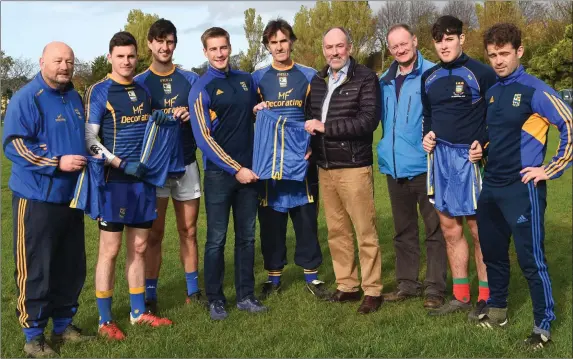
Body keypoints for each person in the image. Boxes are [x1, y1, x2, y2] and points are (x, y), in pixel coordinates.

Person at [476, 22, 572, 350]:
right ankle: (498, 311)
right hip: (491, 188)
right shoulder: (491, 92)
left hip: (522, 189)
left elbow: (570, 125)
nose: (498, 60)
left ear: (519, 51)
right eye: (492, 55)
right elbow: (497, 135)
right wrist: (481, 148)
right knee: (493, 254)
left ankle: (542, 326)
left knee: (531, 259)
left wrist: (550, 169)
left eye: (504, 53)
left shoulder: (535, 90)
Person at [2, 41, 92, 357]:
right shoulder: (27, 98)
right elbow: (15, 145)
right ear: (42, 62)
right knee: (36, 267)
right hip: (37, 196)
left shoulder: (73, 97)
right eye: (58, 60)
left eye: (69, 61)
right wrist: (56, 162)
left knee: (70, 265)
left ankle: (63, 324)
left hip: (71, 197)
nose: (64, 66)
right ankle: (33, 335)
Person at [85, 31, 173, 341]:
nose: (127, 61)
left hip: (143, 182)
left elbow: (150, 132)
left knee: (139, 247)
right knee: (110, 251)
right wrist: (119, 163)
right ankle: (104, 319)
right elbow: (90, 140)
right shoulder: (100, 91)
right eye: (121, 56)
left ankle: (138, 313)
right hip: (114, 182)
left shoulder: (144, 91)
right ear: (110, 57)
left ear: (138, 57)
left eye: (131, 56)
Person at [188, 27, 266, 320]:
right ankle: (216, 299)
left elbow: (255, 112)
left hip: (250, 174)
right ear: (205, 52)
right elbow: (204, 140)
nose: (220, 54)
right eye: (213, 49)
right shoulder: (201, 88)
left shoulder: (246, 80)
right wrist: (236, 169)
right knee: (216, 239)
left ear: (230, 48)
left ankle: (246, 295)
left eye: (223, 48)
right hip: (221, 176)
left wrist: (260, 109)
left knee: (246, 237)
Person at [421, 15, 496, 317]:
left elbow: (497, 118)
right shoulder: (430, 78)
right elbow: (428, 117)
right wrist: (426, 136)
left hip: (471, 161)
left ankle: (487, 297)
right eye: (439, 39)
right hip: (440, 160)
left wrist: (484, 144)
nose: (444, 45)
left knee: (479, 231)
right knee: (450, 230)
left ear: (462, 39)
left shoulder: (481, 73)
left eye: (450, 38)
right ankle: (461, 295)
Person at [305, 27, 383, 314]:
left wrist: (326, 128)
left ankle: (373, 289)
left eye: (339, 46)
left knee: (365, 231)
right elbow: (310, 116)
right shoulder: (318, 79)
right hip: (324, 167)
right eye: (329, 47)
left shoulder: (365, 78)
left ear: (349, 47)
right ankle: (347, 285)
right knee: (337, 232)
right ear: (324, 50)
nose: (334, 52)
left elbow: (367, 121)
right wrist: (312, 143)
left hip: (353, 166)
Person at [251, 18, 331, 301]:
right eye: (273, 42)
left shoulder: (309, 76)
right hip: (270, 160)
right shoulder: (257, 78)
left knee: (305, 215)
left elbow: (321, 115)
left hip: (301, 156)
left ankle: (312, 276)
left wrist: (314, 145)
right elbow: (247, 114)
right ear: (267, 46)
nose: (279, 47)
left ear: (291, 41)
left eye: (283, 40)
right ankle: (273, 278)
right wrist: (254, 108)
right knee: (272, 217)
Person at [134, 19, 205, 314]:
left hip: (187, 162)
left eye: (170, 41)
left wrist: (191, 113)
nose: (165, 47)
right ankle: (150, 295)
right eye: (159, 41)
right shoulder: (138, 82)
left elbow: (208, 111)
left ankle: (194, 290)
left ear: (175, 44)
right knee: (155, 234)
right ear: (150, 43)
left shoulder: (189, 79)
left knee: (188, 230)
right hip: (156, 170)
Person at [377, 24, 447, 309]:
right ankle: (407, 284)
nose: (400, 50)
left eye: (404, 44)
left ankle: (435, 288)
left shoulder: (433, 74)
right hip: (394, 167)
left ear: (415, 41)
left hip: (425, 165)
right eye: (394, 46)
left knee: (435, 229)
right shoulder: (384, 80)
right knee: (403, 230)